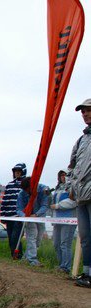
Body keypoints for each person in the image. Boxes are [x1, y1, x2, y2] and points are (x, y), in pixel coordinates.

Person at [67, 98, 91, 288]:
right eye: (83, 111)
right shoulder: (81, 140)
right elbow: (71, 166)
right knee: (85, 236)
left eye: (88, 110)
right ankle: (87, 272)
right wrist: (70, 187)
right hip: (80, 196)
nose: (85, 114)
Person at [16, 177, 50, 267]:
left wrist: (36, 214)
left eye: (28, 190)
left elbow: (45, 205)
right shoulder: (22, 193)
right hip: (29, 218)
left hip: (40, 217)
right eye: (25, 190)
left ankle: (26, 258)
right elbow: (19, 209)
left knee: (38, 239)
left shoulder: (43, 189)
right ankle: (32, 260)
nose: (27, 192)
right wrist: (25, 216)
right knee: (32, 237)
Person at [50, 170, 77, 274]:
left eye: (65, 175)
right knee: (56, 244)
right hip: (57, 219)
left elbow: (73, 201)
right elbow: (52, 202)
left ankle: (66, 268)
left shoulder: (73, 186)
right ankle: (61, 265)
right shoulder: (58, 188)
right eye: (61, 175)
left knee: (65, 244)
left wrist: (58, 206)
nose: (63, 177)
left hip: (69, 220)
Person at [0, 163, 27, 259]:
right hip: (8, 215)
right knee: (11, 237)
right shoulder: (10, 184)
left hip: (19, 216)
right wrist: (2, 214)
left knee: (16, 237)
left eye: (19, 171)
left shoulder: (26, 184)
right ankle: (14, 256)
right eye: (15, 171)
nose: (17, 173)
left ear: (23, 172)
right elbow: (5, 200)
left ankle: (18, 256)